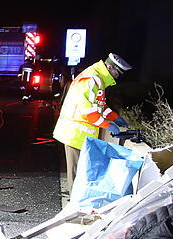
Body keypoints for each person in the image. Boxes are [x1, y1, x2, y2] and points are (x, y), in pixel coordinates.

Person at [53, 53, 132, 188]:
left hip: (80, 136)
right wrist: (108, 125)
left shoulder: (98, 79)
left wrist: (114, 117)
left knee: (82, 174)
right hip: (75, 135)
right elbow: (87, 111)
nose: (117, 76)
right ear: (109, 67)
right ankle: (76, 206)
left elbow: (99, 105)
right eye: (117, 72)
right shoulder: (92, 79)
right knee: (76, 174)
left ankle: (80, 203)